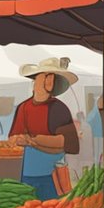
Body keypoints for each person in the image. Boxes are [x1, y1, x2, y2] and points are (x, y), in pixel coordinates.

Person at [11, 57, 80, 200]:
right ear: (35, 80)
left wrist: (33, 140)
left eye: (53, 77)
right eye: (46, 76)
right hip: (26, 173)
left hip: (51, 175)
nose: (49, 81)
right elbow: (13, 138)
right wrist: (21, 140)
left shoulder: (59, 108)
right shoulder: (23, 107)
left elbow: (66, 142)